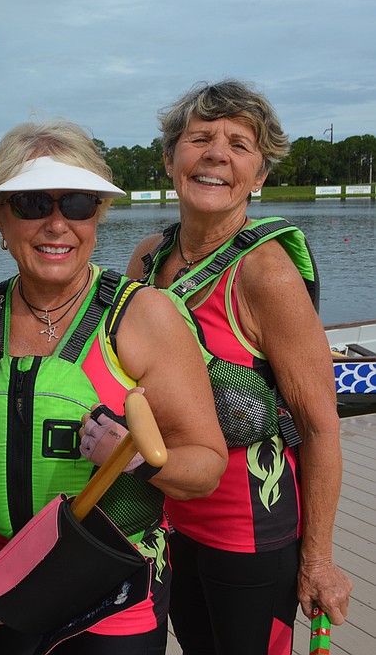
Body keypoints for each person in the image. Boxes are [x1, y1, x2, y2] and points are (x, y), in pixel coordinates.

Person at [0, 120, 227, 655]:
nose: (57, 225)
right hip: (8, 590)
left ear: (98, 216)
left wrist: (139, 457)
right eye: (31, 205)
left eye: (76, 204)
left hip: (112, 598)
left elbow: (207, 464)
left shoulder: (144, 316)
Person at [126, 80, 354, 655]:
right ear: (170, 158)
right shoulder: (148, 258)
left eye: (240, 144)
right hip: (163, 516)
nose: (216, 154)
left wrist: (320, 559)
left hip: (248, 528)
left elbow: (321, 423)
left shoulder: (266, 274)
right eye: (199, 138)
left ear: (259, 176)